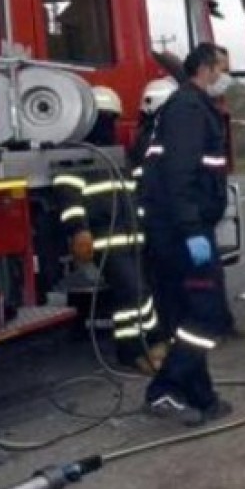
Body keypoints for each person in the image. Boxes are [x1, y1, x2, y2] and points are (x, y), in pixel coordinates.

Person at [139, 43, 234, 425]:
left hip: (179, 228)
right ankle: (164, 389)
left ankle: (201, 396)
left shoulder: (194, 107)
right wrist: (193, 230)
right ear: (207, 68)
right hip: (181, 232)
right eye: (223, 69)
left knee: (185, 316)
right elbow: (180, 175)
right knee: (209, 316)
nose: (225, 76)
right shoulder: (188, 109)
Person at [54, 86, 159, 373]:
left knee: (143, 293)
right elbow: (69, 199)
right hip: (106, 241)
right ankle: (132, 351)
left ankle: (149, 342)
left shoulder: (117, 156)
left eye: (111, 119)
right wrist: (79, 231)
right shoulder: (75, 157)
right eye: (104, 119)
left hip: (132, 239)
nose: (108, 125)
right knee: (131, 294)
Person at [130, 76, 179, 366]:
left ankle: (166, 338)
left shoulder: (143, 138)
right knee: (165, 285)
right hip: (162, 224)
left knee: (159, 283)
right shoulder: (157, 141)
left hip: (153, 222)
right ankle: (167, 339)